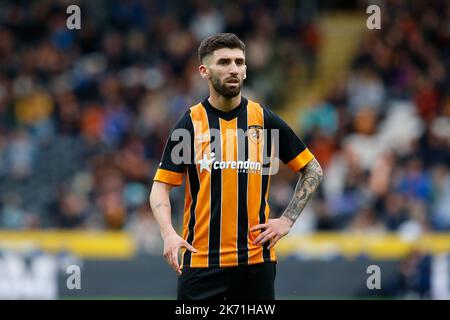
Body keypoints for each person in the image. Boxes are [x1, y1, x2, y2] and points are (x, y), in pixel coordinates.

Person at [149, 33, 323, 300]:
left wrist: (287, 220)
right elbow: (160, 187)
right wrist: (168, 234)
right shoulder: (190, 123)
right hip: (200, 264)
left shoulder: (265, 120)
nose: (233, 69)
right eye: (224, 62)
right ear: (204, 71)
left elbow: (313, 169)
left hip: (255, 264)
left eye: (239, 62)